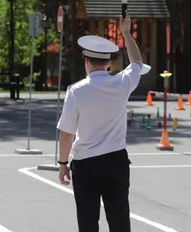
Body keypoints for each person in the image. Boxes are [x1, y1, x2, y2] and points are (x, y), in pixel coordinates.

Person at [56, 12, 143, 232]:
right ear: (108, 62)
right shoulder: (122, 83)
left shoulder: (76, 92)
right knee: (119, 218)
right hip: (116, 161)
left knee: (87, 220)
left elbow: (66, 134)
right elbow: (137, 62)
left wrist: (63, 164)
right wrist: (125, 33)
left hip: (86, 164)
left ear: (86, 62)